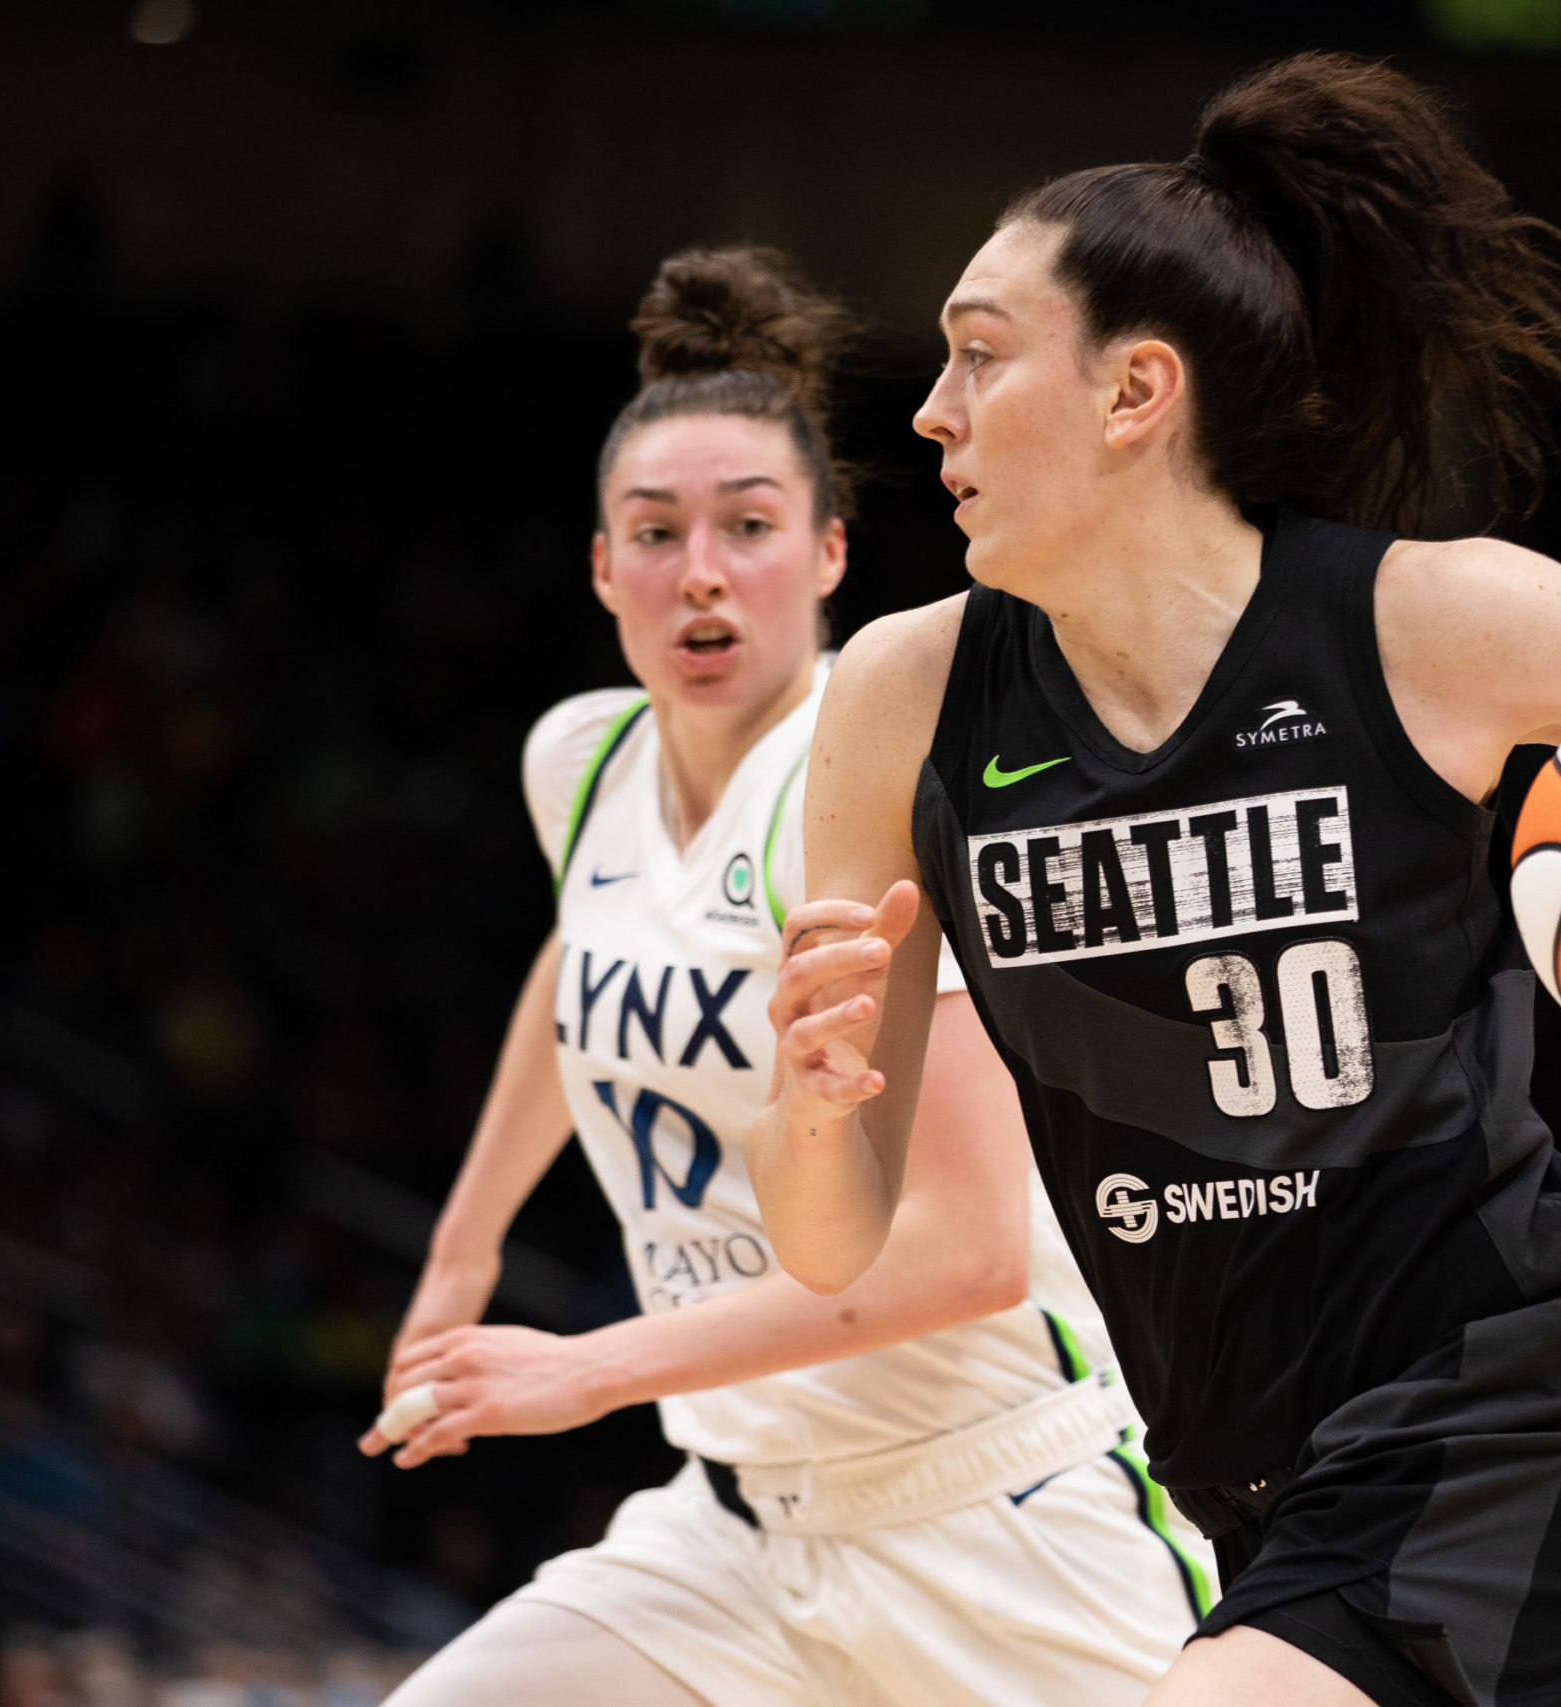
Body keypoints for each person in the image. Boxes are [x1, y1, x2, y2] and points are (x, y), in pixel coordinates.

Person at [749, 52, 1561, 1707]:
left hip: (1513, 1430)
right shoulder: (906, 702)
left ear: (1137, 392)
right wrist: (812, 1095)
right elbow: (829, 1240)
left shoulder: (1426, 623)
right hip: (1250, 1496)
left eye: (982, 357)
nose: (930, 411)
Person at [364, 247, 1212, 1707]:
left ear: (826, 553)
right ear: (601, 567)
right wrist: (463, 1249)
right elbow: (587, 951)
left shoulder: (871, 775)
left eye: (748, 524)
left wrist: (586, 1370)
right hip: (741, 1526)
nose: (699, 567)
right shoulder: (578, 763)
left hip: (998, 1526)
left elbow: (969, 1253)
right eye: (655, 529)